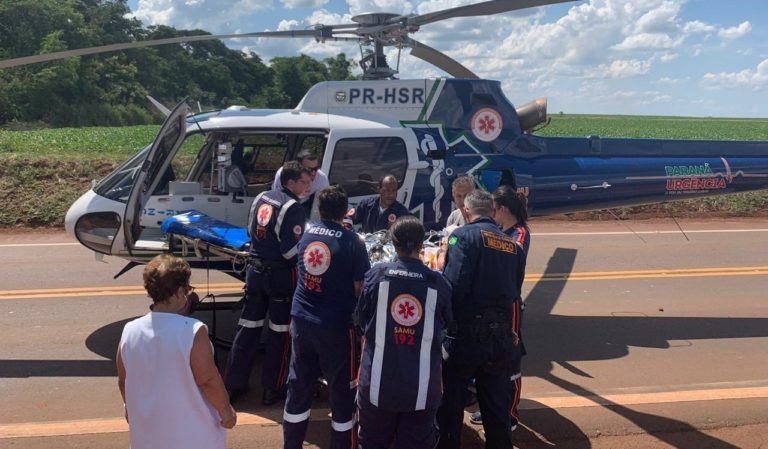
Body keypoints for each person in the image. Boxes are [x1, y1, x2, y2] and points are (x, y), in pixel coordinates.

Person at [117, 254, 237, 449]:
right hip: (192, 436)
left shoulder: (130, 330)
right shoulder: (192, 330)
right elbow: (207, 380)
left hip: (148, 436)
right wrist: (225, 410)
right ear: (180, 291)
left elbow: (124, 381)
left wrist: (129, 408)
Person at [283, 186, 371, 449]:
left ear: (320, 210)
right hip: (335, 326)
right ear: (345, 211)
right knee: (342, 392)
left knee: (298, 387)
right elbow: (360, 288)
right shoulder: (352, 242)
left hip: (301, 321)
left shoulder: (307, 235)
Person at [356, 216, 453, 449]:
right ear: (422, 245)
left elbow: (361, 319)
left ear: (393, 242)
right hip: (421, 389)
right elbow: (447, 325)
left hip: (377, 386)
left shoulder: (376, 275)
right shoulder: (439, 283)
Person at [437, 189, 524, 449]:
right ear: (492, 211)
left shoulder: (461, 237)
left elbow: (454, 285)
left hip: (465, 335)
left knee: (450, 406)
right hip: (500, 337)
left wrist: (442, 262)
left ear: (466, 211)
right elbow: (515, 291)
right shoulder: (514, 246)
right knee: (496, 410)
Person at [225, 161, 311, 405]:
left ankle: (233, 384)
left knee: (248, 328)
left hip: (255, 271)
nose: (308, 186)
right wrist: (307, 245)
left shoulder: (261, 197)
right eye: (304, 182)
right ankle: (272, 387)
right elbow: (289, 252)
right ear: (291, 182)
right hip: (279, 277)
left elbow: (251, 232)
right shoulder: (293, 207)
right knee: (280, 332)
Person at [469, 186, 530, 430]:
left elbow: (512, 254)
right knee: (491, 356)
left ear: (502, 210)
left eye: (494, 209)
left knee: (510, 358)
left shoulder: (519, 234)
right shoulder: (501, 231)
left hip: (509, 303)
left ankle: (510, 415)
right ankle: (491, 408)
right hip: (493, 304)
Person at [272, 150, 330, 216]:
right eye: (309, 169)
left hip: (306, 205)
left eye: (316, 168)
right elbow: (276, 197)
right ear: (299, 167)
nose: (313, 173)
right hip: (284, 201)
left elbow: (324, 203)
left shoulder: (321, 178)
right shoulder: (283, 173)